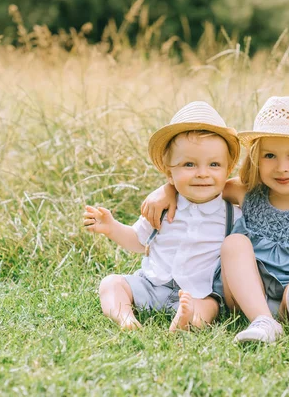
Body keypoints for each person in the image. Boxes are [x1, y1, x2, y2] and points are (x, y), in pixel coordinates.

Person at [141, 96, 289, 352]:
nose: (282, 167)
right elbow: (201, 185)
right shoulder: (246, 192)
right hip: (244, 296)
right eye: (270, 155)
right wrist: (167, 189)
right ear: (256, 158)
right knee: (235, 243)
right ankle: (263, 321)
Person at [84, 101, 241, 332]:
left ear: (228, 171)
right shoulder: (163, 207)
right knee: (111, 283)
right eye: (189, 164)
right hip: (150, 284)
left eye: (214, 164)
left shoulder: (232, 215)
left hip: (197, 292)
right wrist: (111, 227)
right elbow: (138, 241)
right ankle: (125, 317)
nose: (202, 173)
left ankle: (187, 320)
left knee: (210, 307)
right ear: (170, 173)